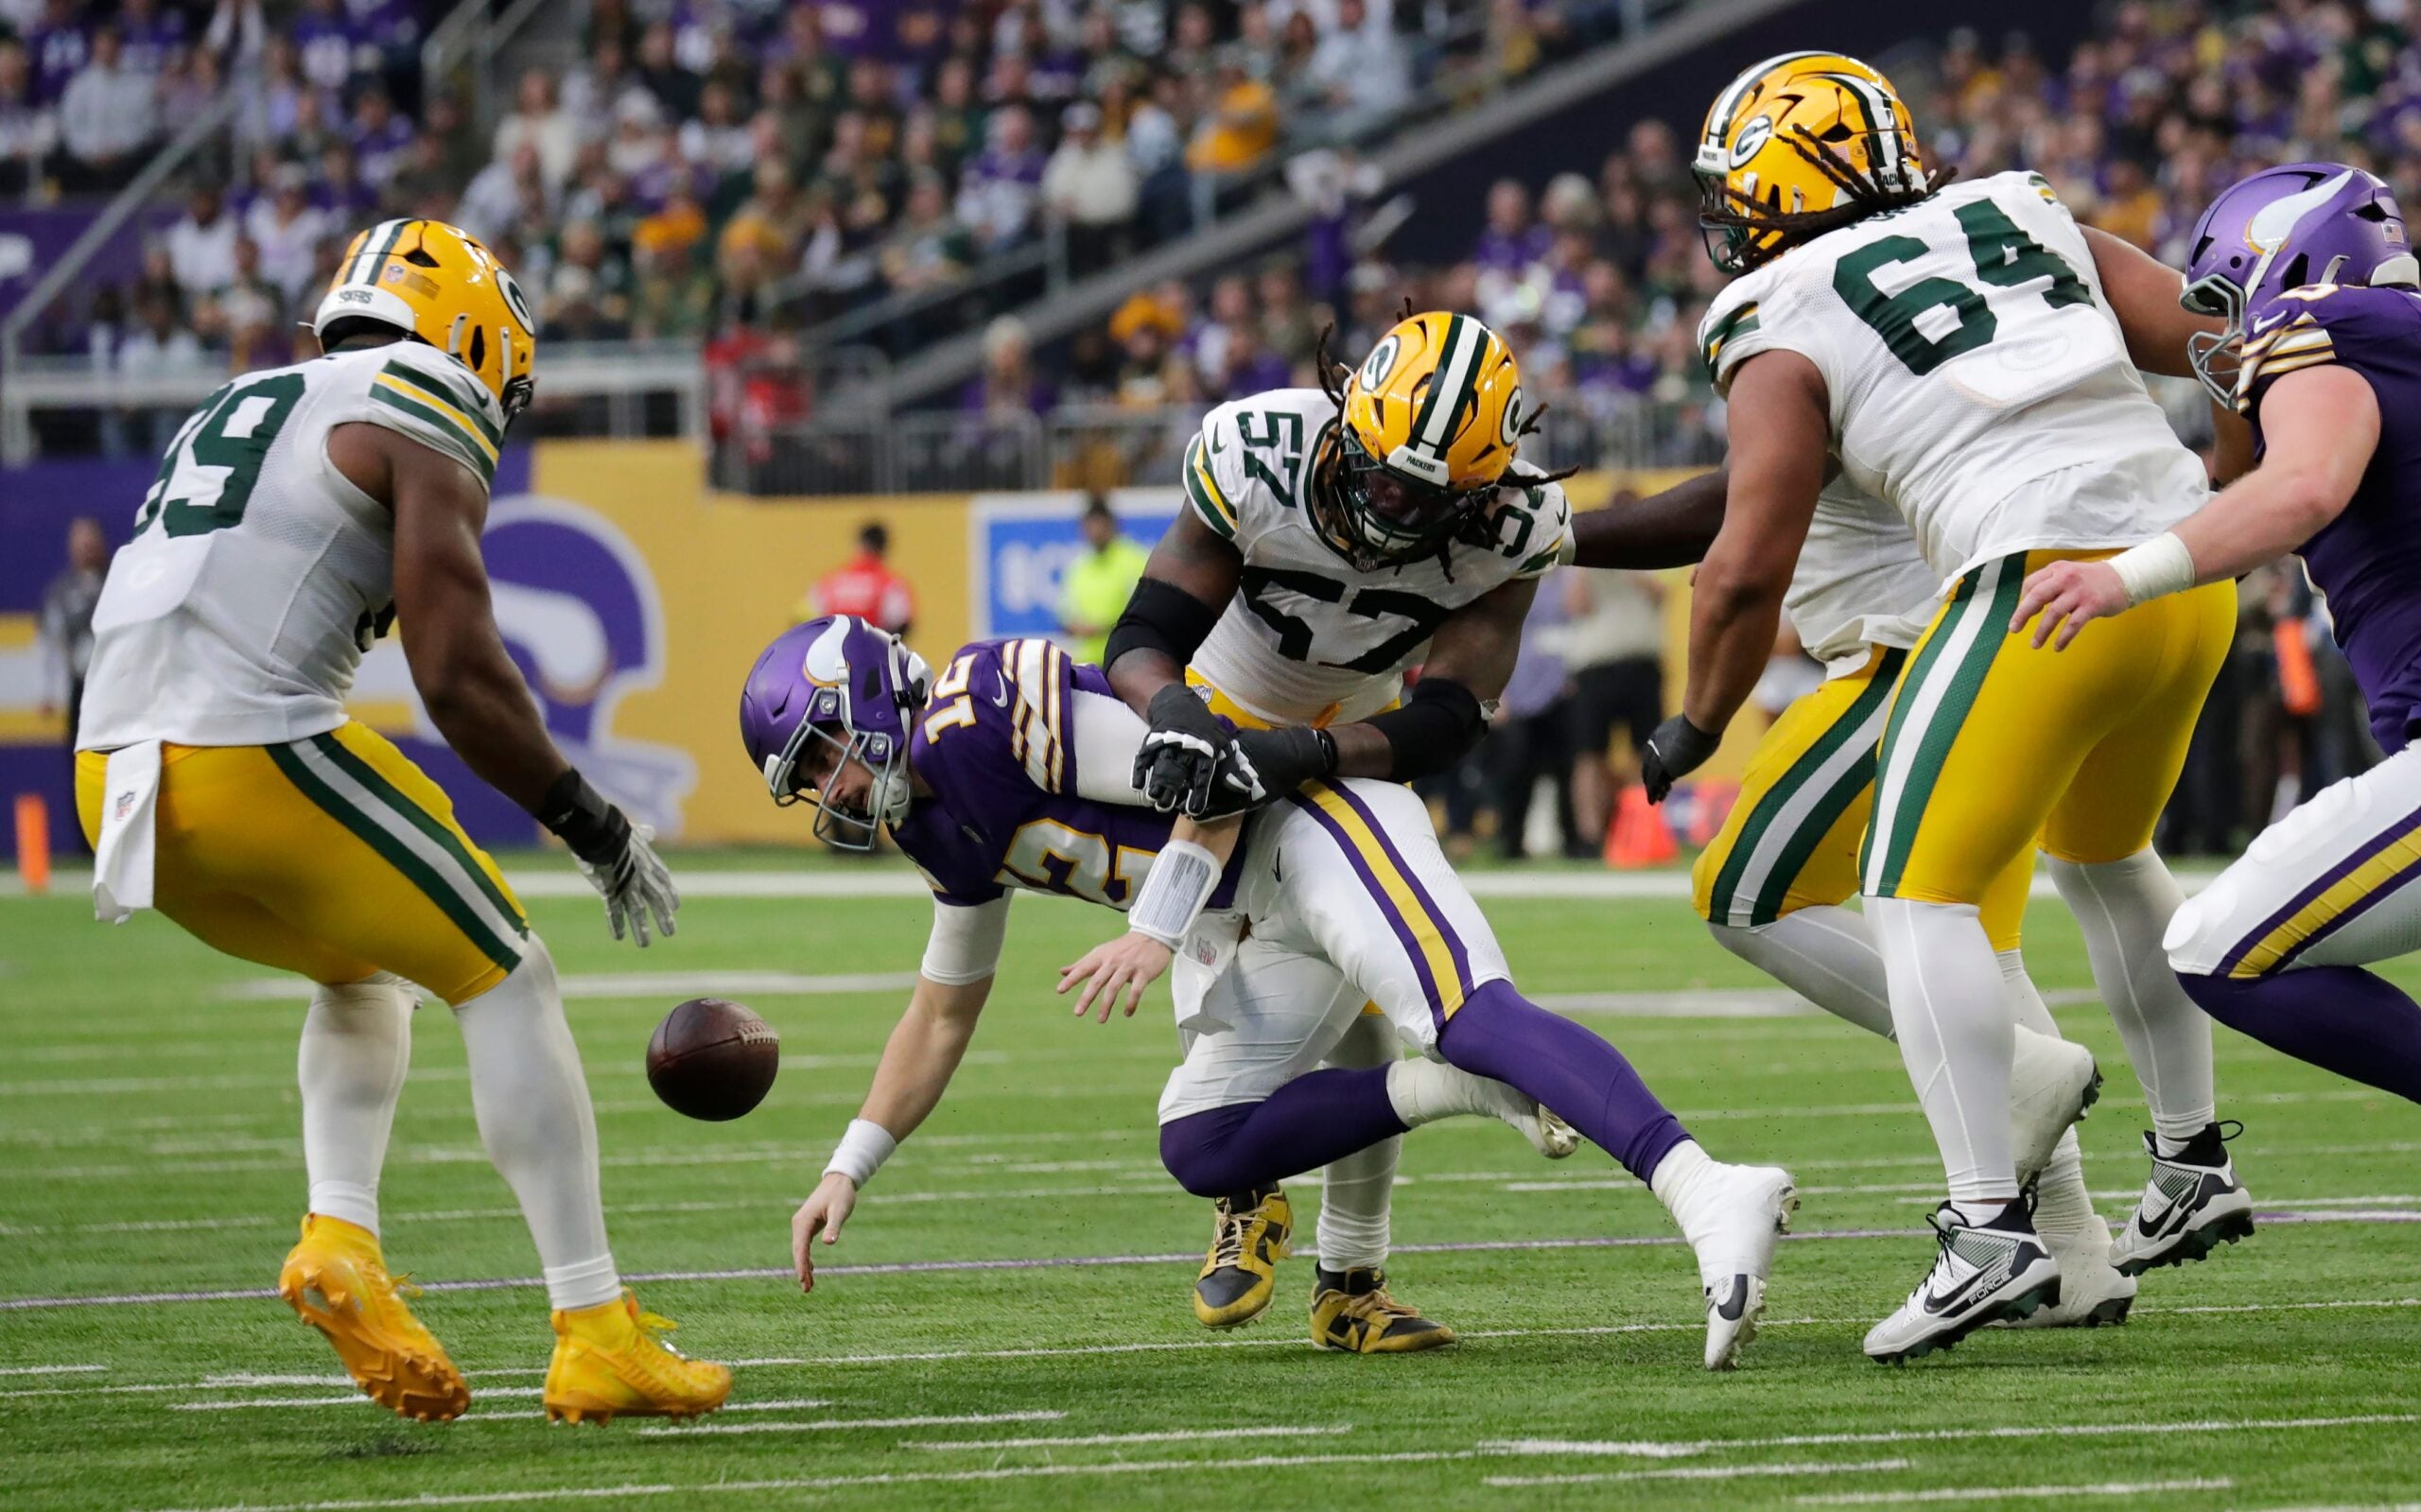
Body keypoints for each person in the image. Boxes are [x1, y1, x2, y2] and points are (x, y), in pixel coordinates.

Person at [744, 616, 1794, 1370]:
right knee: (1202, 1143)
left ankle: (1705, 1186)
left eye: (824, 755)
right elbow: (942, 1010)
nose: (831, 791)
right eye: (809, 781)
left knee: (1464, 1013)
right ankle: (1453, 1106)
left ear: (868, 697)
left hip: (1311, 826)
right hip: (1240, 911)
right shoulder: (931, 822)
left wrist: (1153, 929)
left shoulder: (981, 711)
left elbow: (1214, 765)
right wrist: (848, 1166)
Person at [73, 217, 727, 1426]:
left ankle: (341, 1240)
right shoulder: (424, 387)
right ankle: (595, 1329)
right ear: (471, 333)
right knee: (508, 973)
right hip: (247, 752)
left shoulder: (249, 396)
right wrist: (591, 824)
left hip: (114, 781)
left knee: (363, 973)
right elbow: (459, 673)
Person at [1648, 52, 2252, 1363]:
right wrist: (2243, 470)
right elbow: (2225, 334)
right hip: (2184, 573)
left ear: (1777, 185)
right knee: (2106, 859)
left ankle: (1986, 1229)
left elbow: (1745, 563)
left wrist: (1695, 722)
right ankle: (2189, 1158)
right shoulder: (2019, 208)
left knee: (1914, 897)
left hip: (2034, 592)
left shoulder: (1775, 306)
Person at [1100, 309, 1791, 1359]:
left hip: (1342, 771)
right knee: (1207, 1136)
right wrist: (1176, 716)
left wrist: (1310, 751)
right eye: (1382, 477)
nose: (1393, 508)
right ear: (1345, 413)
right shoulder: (1258, 450)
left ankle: (1364, 1272)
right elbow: (1147, 631)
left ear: (1481, 486)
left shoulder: (1507, 522)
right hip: (1214, 766)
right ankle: (1282, 1206)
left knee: (1421, 998)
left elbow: (1452, 713)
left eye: (1428, 499)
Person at [1566, 468, 2132, 1330]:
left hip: (1902, 655)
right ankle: (2076, 1244)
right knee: (1982, 945)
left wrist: (1560, 533)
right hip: (1998, 647)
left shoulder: (1814, 372)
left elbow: (1748, 506)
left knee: (1739, 890)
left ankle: (2018, 1071)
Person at [2015, 164, 2421, 1113]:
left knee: (2220, 946)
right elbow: (2254, 488)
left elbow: (2302, 488)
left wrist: (2123, 574)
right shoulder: (2393, 339)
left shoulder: (2324, 323)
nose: (2227, 339)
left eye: (2230, 304)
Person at [40, 516, 109, 761]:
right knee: (81, 754)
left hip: (115, 683)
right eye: (80, 541)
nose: (86, 547)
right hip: (80, 686)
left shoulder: (117, 581)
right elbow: (51, 641)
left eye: (90, 540)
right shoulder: (61, 591)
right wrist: (48, 690)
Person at [1056, 494, 1148, 666]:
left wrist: (1104, 628)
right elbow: (1065, 617)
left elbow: (1145, 612)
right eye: (1090, 525)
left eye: (1099, 524)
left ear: (1111, 525)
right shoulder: (1078, 567)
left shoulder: (1134, 560)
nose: (1095, 531)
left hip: (1126, 660)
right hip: (1087, 664)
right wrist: (1077, 627)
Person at [800, 521, 914, 636]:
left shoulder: (830, 582)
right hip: (870, 646)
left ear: (860, 545)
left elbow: (804, 618)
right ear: (884, 547)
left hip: (832, 645)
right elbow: (901, 621)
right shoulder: (889, 584)